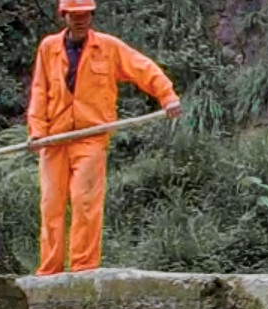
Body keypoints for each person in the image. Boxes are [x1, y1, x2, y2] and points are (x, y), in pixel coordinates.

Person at [25, 0, 180, 276]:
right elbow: (39, 90)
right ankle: (50, 271)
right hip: (54, 138)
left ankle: (83, 270)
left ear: (92, 15)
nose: (80, 20)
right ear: (64, 16)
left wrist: (167, 96)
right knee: (51, 206)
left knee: (85, 202)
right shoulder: (49, 48)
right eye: (75, 15)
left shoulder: (107, 47)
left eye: (85, 15)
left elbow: (142, 67)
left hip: (91, 137)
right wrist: (36, 131)